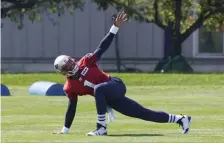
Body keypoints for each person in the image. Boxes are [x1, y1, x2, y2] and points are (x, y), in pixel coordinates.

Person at [52, 12, 192, 136]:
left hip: (115, 85)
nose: (71, 64)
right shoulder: (70, 87)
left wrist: (115, 28)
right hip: (109, 99)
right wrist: (65, 130)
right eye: (67, 65)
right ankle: (181, 119)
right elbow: (72, 108)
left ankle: (101, 128)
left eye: (70, 61)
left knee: (98, 88)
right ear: (63, 71)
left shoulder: (86, 62)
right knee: (144, 113)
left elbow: (102, 47)